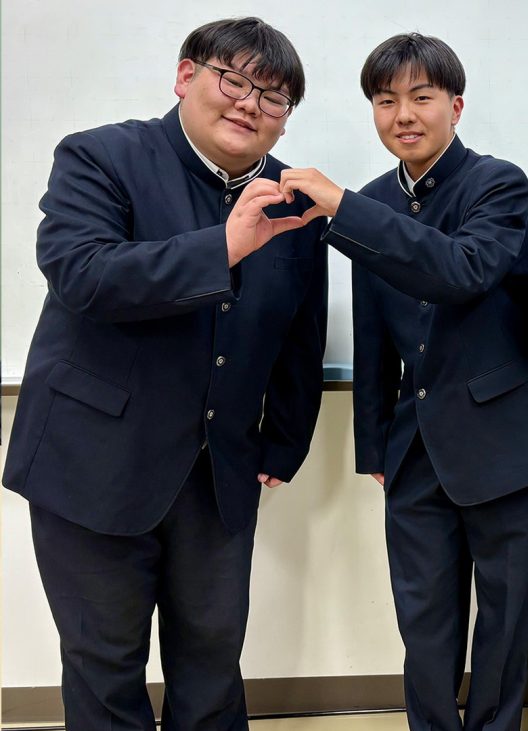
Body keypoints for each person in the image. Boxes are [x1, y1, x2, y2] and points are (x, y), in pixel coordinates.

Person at [2, 17, 327, 730]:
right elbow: (82, 273)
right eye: (233, 81)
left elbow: (300, 332)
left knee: (213, 669)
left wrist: (285, 440)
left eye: (273, 98)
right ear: (186, 77)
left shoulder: (295, 202)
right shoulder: (100, 156)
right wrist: (223, 247)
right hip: (91, 463)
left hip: (217, 474)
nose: (250, 105)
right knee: (105, 667)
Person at [279, 33, 528, 731]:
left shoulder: (497, 183)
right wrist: (375, 445)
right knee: (424, 623)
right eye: (385, 100)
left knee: (504, 621)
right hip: (413, 450)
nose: (402, 114)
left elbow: (462, 269)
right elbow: (373, 332)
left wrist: (344, 208)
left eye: (421, 97)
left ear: (455, 106)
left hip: (505, 441)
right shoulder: (371, 201)